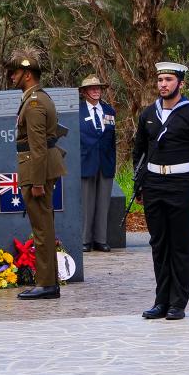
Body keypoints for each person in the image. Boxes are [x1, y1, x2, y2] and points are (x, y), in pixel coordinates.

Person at [135, 62, 189, 321]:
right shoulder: (148, 114)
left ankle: (177, 303)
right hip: (154, 185)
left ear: (180, 83)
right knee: (159, 245)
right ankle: (161, 301)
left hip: (182, 186)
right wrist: (139, 187)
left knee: (180, 245)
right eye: (160, 80)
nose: (163, 85)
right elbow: (139, 152)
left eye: (168, 79)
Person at [9, 48, 66, 300]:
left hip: (36, 171)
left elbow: (38, 146)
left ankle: (46, 284)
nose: (12, 76)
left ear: (28, 75)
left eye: (16, 72)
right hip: (36, 168)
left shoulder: (34, 103)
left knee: (41, 229)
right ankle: (49, 282)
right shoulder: (35, 98)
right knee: (44, 227)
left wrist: (38, 182)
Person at [78, 75, 117, 253]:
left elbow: (111, 139)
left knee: (103, 202)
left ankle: (101, 239)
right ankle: (85, 240)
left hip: (106, 162)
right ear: (84, 92)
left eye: (98, 88)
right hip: (86, 161)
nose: (96, 91)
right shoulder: (77, 111)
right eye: (92, 88)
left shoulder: (109, 111)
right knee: (86, 203)